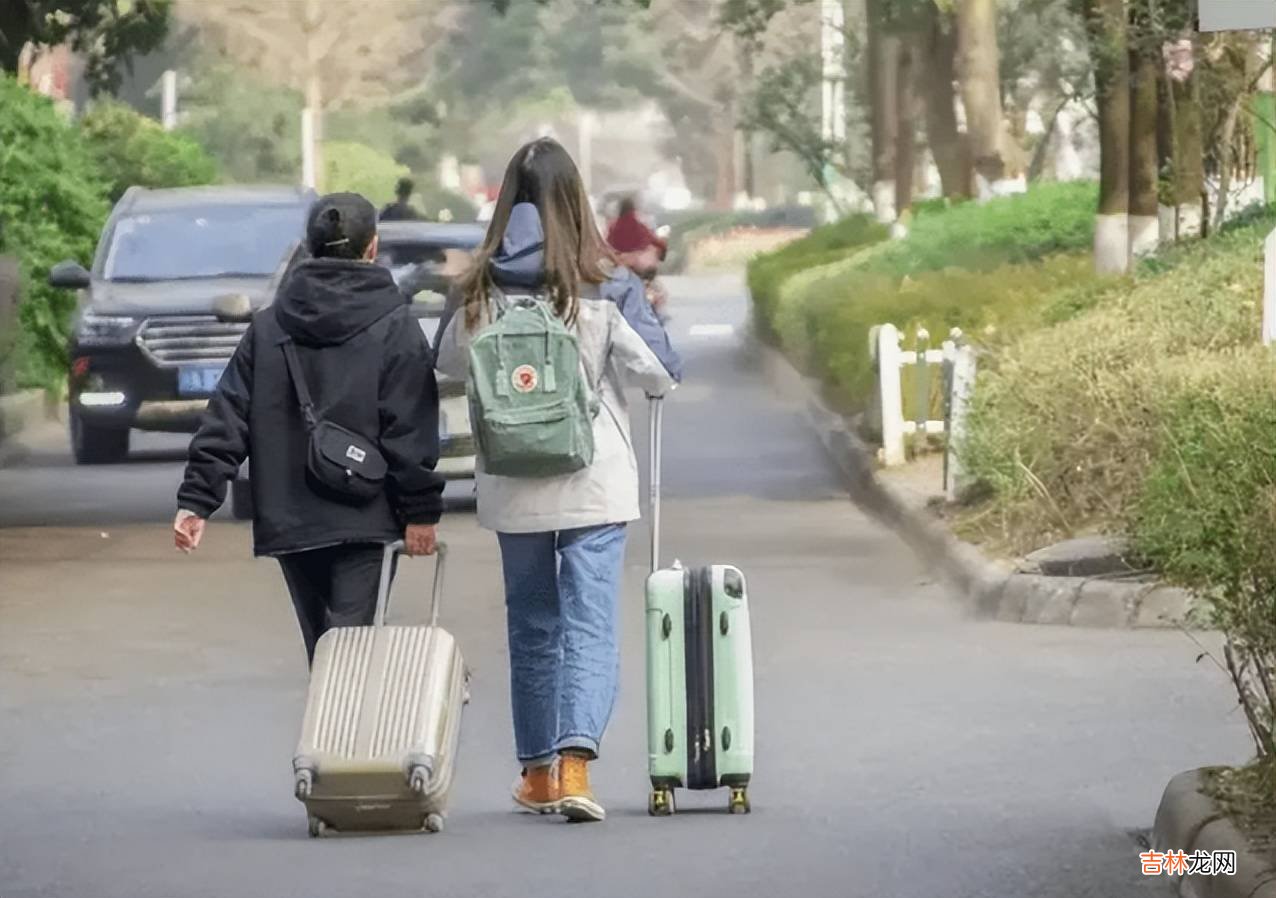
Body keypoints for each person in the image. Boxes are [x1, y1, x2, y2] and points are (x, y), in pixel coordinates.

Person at [436, 138, 682, 823]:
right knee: (589, 621)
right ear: (575, 200)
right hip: (593, 478)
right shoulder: (605, 283)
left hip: (512, 482)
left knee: (534, 623)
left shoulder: (477, 288)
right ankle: (577, 768)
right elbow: (659, 373)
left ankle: (538, 774)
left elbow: (448, 367)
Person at [174, 192, 445, 666]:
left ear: (308, 246)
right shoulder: (395, 325)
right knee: (349, 651)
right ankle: (342, 739)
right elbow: (410, 424)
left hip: (291, 516)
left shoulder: (269, 326)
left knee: (326, 648)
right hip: (367, 513)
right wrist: (420, 510)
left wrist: (198, 499)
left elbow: (229, 412)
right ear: (372, 247)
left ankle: (335, 736)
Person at [605, 195, 667, 276]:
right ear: (633, 209)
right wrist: (663, 249)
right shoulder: (639, 225)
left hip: (618, 262)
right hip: (637, 265)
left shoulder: (613, 226)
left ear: (619, 209)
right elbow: (654, 240)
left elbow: (607, 242)